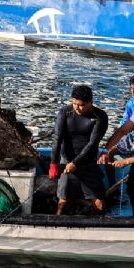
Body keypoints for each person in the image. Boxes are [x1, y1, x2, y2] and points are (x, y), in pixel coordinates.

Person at [49, 85, 109, 215]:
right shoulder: (65, 112)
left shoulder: (100, 117)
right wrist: (54, 163)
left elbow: (93, 143)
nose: (76, 108)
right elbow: (57, 138)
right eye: (74, 103)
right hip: (67, 162)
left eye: (81, 105)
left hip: (88, 163)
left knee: (99, 201)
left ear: (90, 103)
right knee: (63, 201)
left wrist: (75, 163)